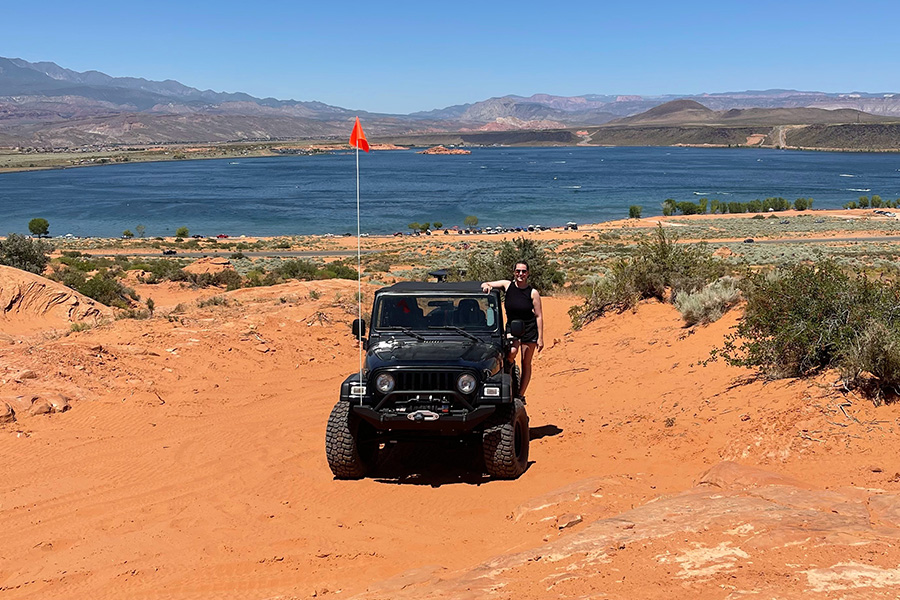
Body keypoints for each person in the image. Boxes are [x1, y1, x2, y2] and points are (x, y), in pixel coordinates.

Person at [481, 261, 543, 400]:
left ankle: (520, 394)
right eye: (518, 271)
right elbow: (488, 283)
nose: (520, 274)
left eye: (524, 271)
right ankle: (510, 374)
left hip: (529, 329)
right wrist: (486, 285)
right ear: (514, 272)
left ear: (528, 273)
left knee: (526, 362)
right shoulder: (507, 285)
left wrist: (540, 338)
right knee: (511, 352)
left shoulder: (533, 293)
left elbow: (539, 316)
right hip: (512, 327)